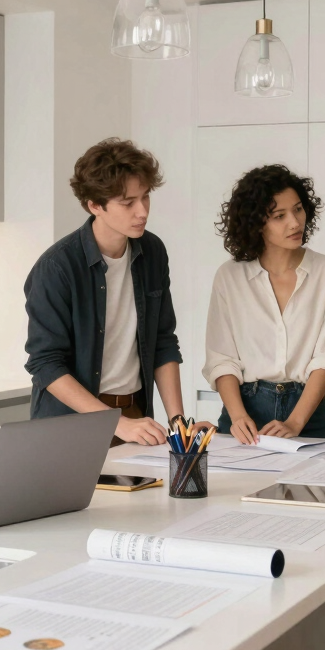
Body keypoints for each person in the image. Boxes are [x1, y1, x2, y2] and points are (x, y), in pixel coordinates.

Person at [24, 138, 193, 446]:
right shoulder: (57, 267)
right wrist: (115, 423)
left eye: (145, 198)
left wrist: (178, 422)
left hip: (135, 416)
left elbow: (163, 342)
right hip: (70, 424)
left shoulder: (152, 251)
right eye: (128, 203)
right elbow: (45, 363)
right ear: (94, 205)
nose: (142, 211)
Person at [204, 164, 325, 444]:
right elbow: (222, 359)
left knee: (309, 489)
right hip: (242, 411)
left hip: (307, 411)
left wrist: (295, 421)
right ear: (256, 223)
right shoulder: (230, 276)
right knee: (237, 487)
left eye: (298, 209)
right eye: (279, 216)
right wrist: (237, 417)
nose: (295, 223)